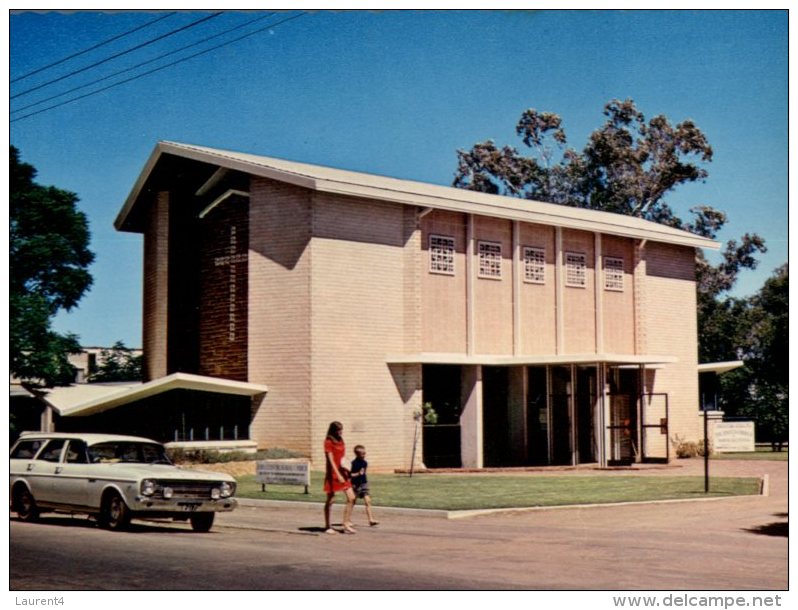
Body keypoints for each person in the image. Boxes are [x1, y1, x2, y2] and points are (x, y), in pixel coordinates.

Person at [323, 421, 356, 534]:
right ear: (333, 430)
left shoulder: (341, 440)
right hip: (333, 473)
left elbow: (342, 456)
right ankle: (328, 526)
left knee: (351, 497)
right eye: (339, 430)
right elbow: (331, 460)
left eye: (341, 429)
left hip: (343, 471)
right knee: (331, 499)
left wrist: (348, 465)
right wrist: (337, 474)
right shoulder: (328, 441)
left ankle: (346, 523)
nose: (341, 432)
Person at [351, 445, 378, 526]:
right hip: (355, 485)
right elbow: (350, 475)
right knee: (352, 502)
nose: (364, 455)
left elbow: (363, 474)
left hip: (364, 484)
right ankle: (347, 519)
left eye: (364, 453)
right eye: (362, 454)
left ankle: (371, 520)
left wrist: (361, 475)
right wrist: (358, 474)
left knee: (368, 501)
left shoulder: (365, 463)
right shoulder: (353, 463)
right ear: (357, 454)